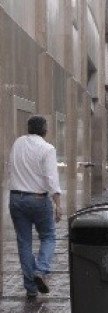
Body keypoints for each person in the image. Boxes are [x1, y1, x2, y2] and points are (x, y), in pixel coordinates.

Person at [7, 116, 63, 301]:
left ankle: (31, 288)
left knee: (24, 243)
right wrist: (58, 204)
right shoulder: (47, 148)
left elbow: (10, 168)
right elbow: (51, 179)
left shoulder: (17, 143)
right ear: (45, 130)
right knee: (48, 237)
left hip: (16, 197)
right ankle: (41, 270)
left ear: (29, 128)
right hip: (38, 199)